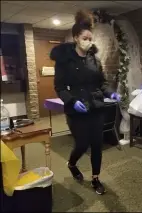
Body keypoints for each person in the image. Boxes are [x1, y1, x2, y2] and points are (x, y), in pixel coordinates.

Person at [50, 10, 120, 195]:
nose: (89, 41)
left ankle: (96, 178)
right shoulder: (64, 61)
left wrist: (111, 93)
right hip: (77, 110)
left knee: (97, 144)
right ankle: (72, 163)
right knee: (82, 144)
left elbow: (102, 83)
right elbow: (60, 87)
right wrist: (71, 101)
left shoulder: (95, 60)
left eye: (91, 38)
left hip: (96, 108)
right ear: (75, 38)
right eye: (85, 38)